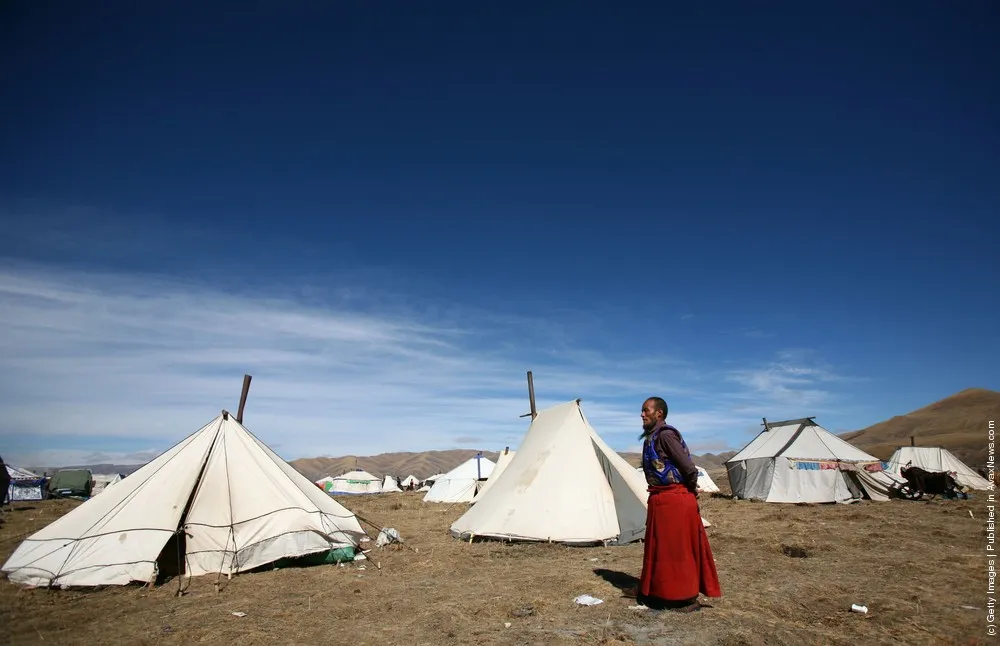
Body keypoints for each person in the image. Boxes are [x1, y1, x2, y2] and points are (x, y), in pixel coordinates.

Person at [637, 397, 722, 612]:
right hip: (662, 499)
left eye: (646, 410)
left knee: (677, 550)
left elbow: (688, 467)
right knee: (662, 550)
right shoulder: (652, 437)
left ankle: (684, 597)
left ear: (659, 414)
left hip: (675, 499)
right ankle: (662, 592)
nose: (642, 415)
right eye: (641, 411)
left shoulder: (666, 435)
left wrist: (690, 489)